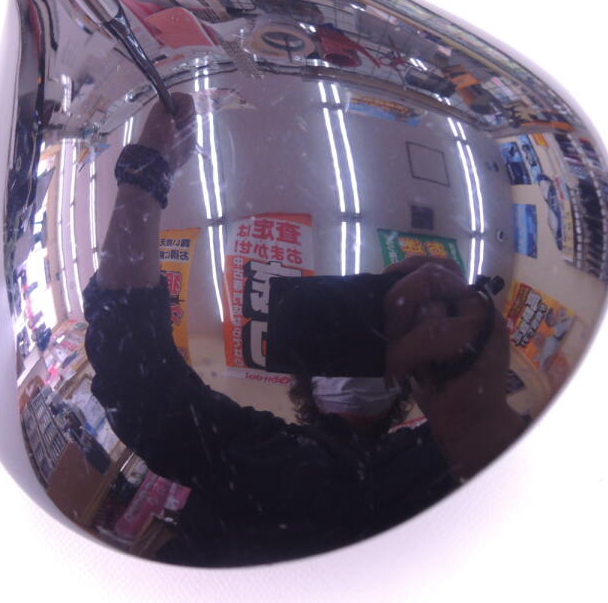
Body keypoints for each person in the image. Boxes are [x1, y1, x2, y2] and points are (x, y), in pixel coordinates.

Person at [83, 93, 527, 567]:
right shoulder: (272, 455)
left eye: (378, 330)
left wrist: (479, 421)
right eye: (336, 339)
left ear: (404, 371)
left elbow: (138, 381)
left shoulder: (432, 458)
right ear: (311, 373)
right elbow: (143, 390)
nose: (354, 349)